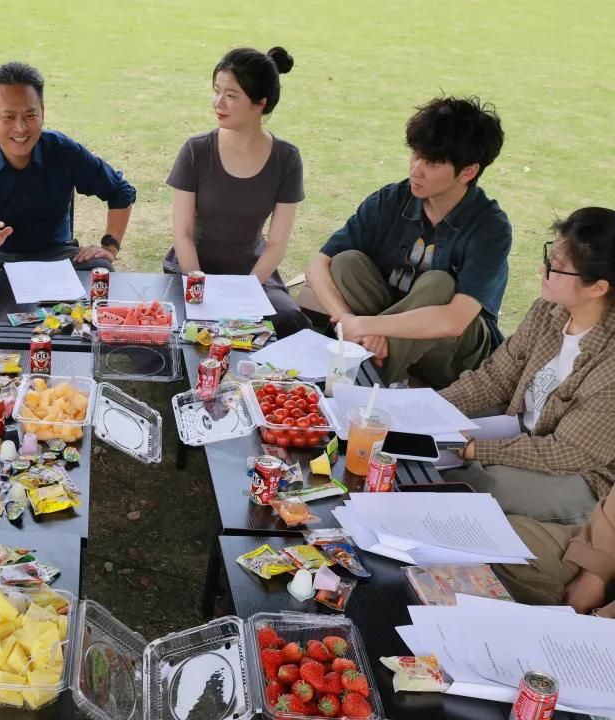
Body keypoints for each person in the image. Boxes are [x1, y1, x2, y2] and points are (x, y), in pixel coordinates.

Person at [305, 96, 510, 389]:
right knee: (346, 262)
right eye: (415, 155)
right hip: (383, 327)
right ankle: (370, 365)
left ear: (468, 171)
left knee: (439, 284)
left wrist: (365, 325)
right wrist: (346, 319)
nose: (415, 169)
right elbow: (318, 265)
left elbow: (454, 321)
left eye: (431, 163)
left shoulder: (489, 228)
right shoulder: (391, 200)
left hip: (453, 353)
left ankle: (359, 382)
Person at [0, 61, 137, 341]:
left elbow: (120, 191)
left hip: (56, 258)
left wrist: (109, 247)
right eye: (8, 117)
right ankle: (47, 317)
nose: (20, 128)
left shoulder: (63, 150)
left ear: (42, 113)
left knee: (101, 273)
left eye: (30, 115)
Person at [441, 208, 615, 525]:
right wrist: (429, 406)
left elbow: (570, 452)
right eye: (549, 259)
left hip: (584, 474)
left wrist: (477, 450)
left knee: (474, 485)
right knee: (429, 435)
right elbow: (495, 378)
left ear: (597, 288)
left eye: (555, 268)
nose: (541, 269)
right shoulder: (549, 310)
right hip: (523, 428)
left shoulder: (610, 364)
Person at [166, 46, 310, 338]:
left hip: (252, 274)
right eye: (217, 91)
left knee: (289, 321)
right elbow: (182, 233)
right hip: (193, 271)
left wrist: (245, 293)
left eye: (231, 95)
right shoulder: (196, 150)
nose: (218, 102)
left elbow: (276, 244)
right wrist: (199, 287)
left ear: (260, 103)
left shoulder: (286, 158)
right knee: (182, 333)